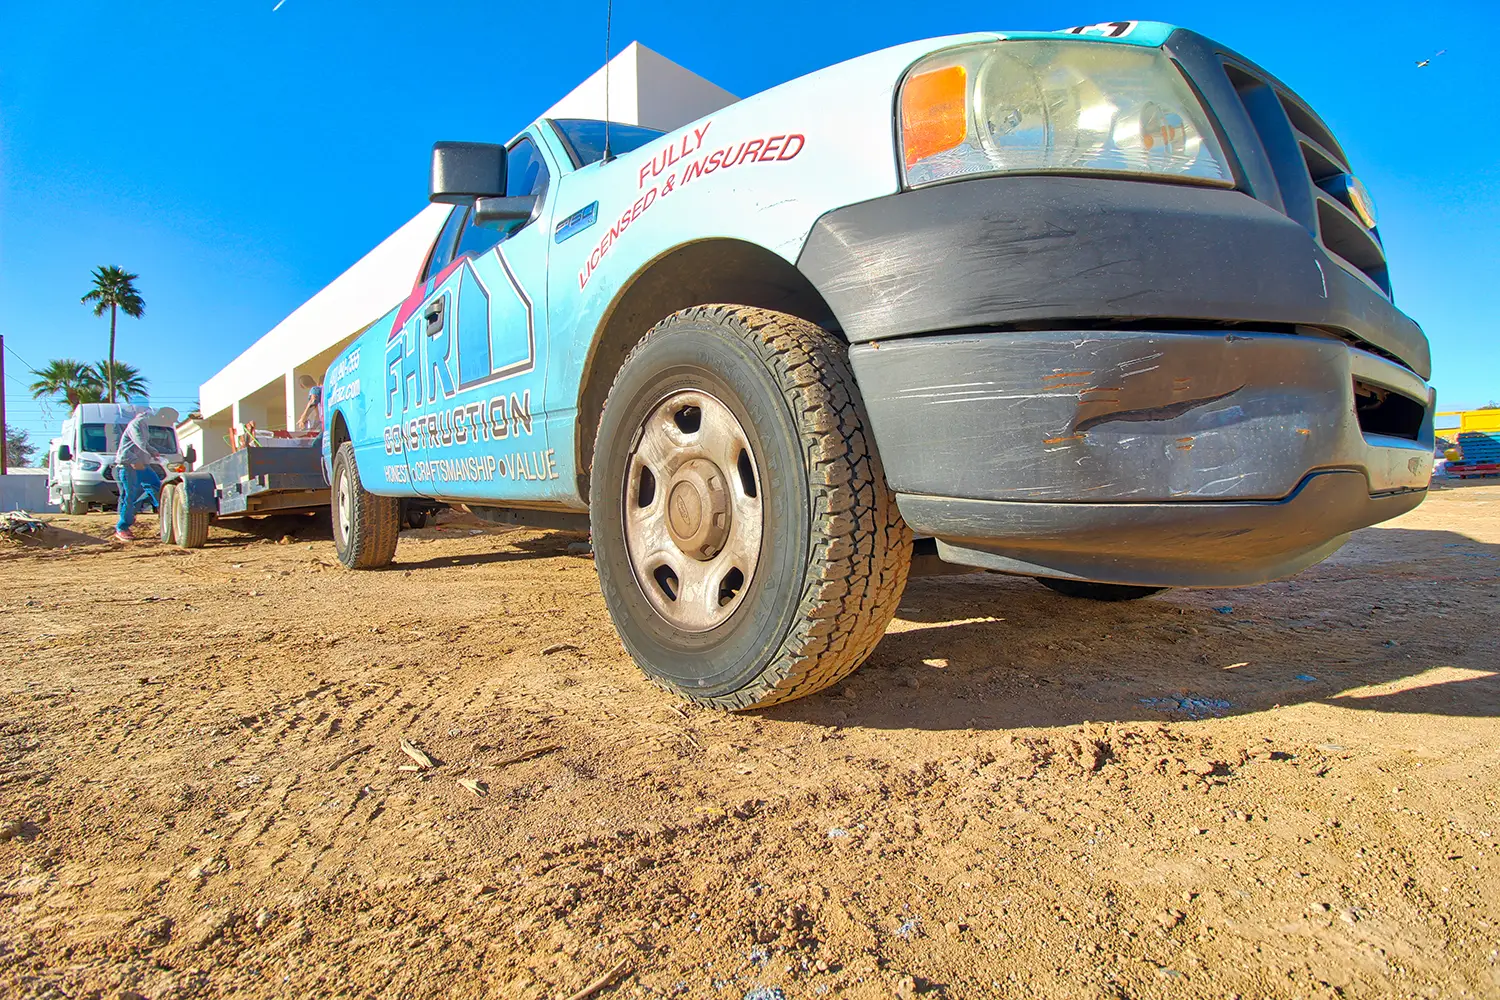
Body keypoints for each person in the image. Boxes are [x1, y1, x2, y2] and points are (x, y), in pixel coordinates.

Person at [114, 408, 164, 543]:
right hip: (128, 465)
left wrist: (153, 452)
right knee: (129, 495)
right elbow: (139, 443)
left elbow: (145, 444)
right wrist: (135, 460)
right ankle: (122, 527)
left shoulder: (145, 425)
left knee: (156, 488)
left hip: (142, 465)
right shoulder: (137, 423)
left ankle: (136, 512)